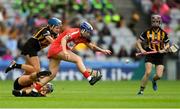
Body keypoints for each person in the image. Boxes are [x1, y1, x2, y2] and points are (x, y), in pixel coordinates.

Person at [31, 21, 112, 92]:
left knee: (51, 75)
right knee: (78, 59)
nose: (89, 34)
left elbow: (92, 47)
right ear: (83, 30)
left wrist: (102, 50)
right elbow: (64, 39)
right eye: (88, 32)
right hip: (57, 49)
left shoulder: (83, 38)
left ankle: (34, 90)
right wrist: (65, 51)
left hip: (55, 51)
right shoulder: (75, 32)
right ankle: (90, 79)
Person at [136, 14, 170, 95]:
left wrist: (164, 49)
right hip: (150, 54)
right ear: (152, 22)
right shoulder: (147, 32)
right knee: (148, 72)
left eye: (157, 21)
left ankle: (154, 80)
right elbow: (138, 42)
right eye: (154, 21)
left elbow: (168, 44)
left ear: (160, 22)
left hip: (160, 55)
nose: (155, 23)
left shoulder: (163, 33)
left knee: (159, 75)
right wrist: (142, 49)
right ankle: (141, 90)